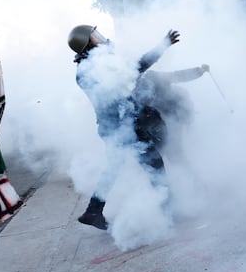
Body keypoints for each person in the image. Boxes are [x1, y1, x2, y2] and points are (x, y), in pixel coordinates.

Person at [67, 25, 208, 229]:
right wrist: (162, 46)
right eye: (94, 37)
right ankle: (168, 213)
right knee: (155, 165)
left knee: (114, 168)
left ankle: (93, 211)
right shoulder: (93, 68)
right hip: (124, 127)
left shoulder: (93, 65)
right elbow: (136, 68)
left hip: (117, 127)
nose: (101, 38)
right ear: (86, 43)